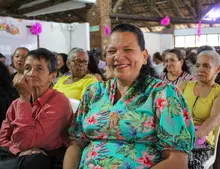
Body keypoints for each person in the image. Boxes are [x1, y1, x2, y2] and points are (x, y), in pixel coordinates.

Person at [63, 23, 195, 169]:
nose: (118, 56)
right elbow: (76, 144)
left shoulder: (163, 94)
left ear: (144, 56)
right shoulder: (94, 92)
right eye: (112, 51)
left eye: (128, 49)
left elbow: (177, 160)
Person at [0, 48, 73, 169]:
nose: (31, 73)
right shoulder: (16, 103)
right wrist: (17, 151)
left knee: (34, 161)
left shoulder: (59, 102)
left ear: (52, 76)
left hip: (48, 157)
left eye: (39, 69)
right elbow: (2, 138)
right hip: (16, 154)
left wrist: (24, 98)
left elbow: (26, 142)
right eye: (27, 68)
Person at [178, 50, 220, 169]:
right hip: (177, 135)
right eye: (198, 65)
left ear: (218, 69)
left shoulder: (218, 92)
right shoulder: (184, 85)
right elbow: (168, 107)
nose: (200, 69)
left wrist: (195, 135)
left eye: (206, 66)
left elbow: (215, 118)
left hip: (200, 141)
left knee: (187, 163)